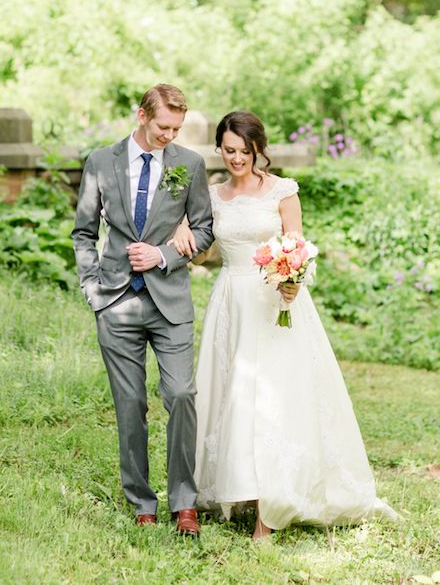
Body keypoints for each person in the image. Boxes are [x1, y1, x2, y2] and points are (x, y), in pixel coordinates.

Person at [172, 110, 396, 540]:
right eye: (230, 150)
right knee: (233, 394)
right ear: (219, 148)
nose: (237, 159)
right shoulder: (213, 195)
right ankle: (245, 489)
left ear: (259, 150)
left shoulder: (281, 191)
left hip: (276, 301)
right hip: (231, 302)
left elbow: (299, 247)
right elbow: (202, 252)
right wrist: (182, 229)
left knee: (273, 401)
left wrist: (294, 281)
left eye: (245, 151)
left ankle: (270, 512)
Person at [71, 84, 213, 536]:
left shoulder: (189, 165)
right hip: (116, 302)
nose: (169, 135)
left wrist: (166, 256)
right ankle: (142, 501)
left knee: (182, 395)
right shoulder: (100, 162)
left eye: (176, 128)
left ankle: (184, 501)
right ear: (141, 116)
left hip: (170, 303)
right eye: (162, 126)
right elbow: (83, 232)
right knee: (130, 404)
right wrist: (92, 289)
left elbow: (205, 230)